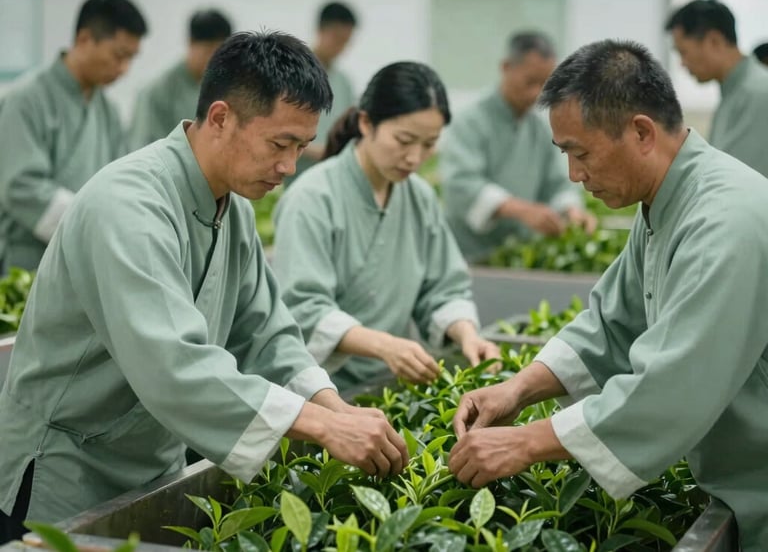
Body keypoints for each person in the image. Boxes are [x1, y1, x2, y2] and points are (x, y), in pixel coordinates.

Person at [0, 31, 408, 541]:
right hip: (64, 471)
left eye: (301, 148)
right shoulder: (129, 204)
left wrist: (334, 406)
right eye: (279, 144)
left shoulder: (231, 209)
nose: (288, 167)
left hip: (148, 464)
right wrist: (323, 427)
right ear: (220, 118)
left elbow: (265, 333)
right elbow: (172, 363)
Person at [448, 39, 768, 552]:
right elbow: (612, 324)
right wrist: (517, 390)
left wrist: (526, 442)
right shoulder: (667, 202)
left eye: (581, 153)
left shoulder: (724, 222)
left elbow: (674, 385)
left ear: (641, 132)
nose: (574, 176)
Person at [272, 61, 500, 391]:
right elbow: (304, 309)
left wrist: (467, 334)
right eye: (404, 140)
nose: (414, 158)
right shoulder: (312, 198)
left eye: (428, 144)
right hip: (317, 392)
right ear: (367, 123)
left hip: (385, 385)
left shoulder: (419, 198)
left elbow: (443, 289)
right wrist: (384, 346)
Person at [0, 0, 147, 273]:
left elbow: (121, 181)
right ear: (84, 39)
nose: (124, 69)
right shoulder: (25, 100)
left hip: (84, 259)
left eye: (131, 59)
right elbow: (20, 186)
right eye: (119, 55)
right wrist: (91, 222)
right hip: (27, 264)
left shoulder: (108, 111)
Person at [440, 31, 595, 263]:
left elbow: (557, 183)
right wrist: (521, 210)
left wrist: (570, 210)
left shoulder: (540, 128)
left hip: (518, 256)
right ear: (506, 67)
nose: (537, 93)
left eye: (544, 84)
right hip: (466, 256)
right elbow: (461, 184)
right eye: (530, 82)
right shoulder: (470, 122)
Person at [666, 0, 768, 178]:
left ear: (714, 41)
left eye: (684, 52)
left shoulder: (758, 93)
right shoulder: (734, 91)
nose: (682, 63)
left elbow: (736, 180)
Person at [130, 9, 232, 149]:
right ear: (191, 43)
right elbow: (143, 146)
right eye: (208, 51)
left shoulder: (227, 87)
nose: (215, 60)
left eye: (221, 53)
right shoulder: (157, 92)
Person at [286, 0, 357, 184]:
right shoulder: (292, 74)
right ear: (320, 30)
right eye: (337, 39)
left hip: (333, 176)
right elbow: (280, 130)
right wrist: (318, 150)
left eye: (346, 41)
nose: (341, 47)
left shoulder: (343, 81)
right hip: (296, 175)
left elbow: (350, 126)